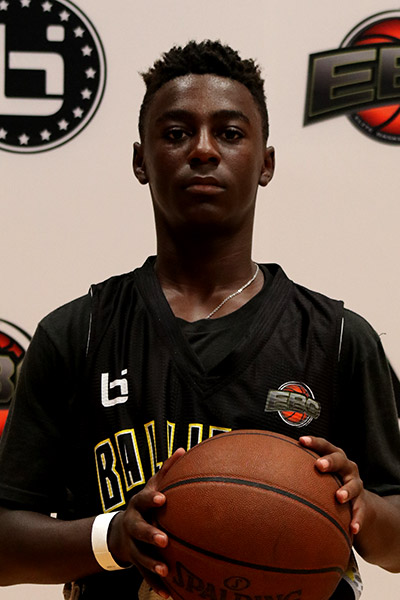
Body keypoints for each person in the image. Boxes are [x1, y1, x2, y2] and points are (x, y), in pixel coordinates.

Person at [0, 40, 399, 600]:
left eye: (230, 133)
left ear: (266, 163)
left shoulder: (335, 339)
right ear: (141, 161)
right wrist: (112, 538)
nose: (204, 149)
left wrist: (362, 509)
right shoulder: (77, 335)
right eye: (176, 133)